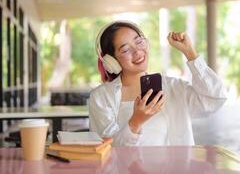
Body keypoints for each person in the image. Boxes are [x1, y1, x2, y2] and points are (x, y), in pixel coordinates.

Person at [88, 21, 226, 146]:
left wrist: (190, 52)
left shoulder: (173, 87)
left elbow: (214, 99)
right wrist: (136, 122)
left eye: (139, 42)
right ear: (112, 62)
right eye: (125, 50)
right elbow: (108, 149)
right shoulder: (101, 97)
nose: (137, 51)